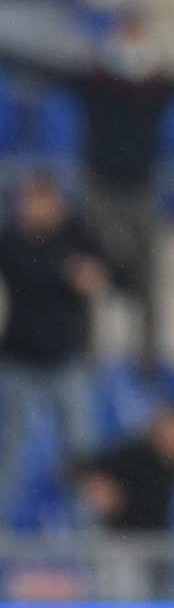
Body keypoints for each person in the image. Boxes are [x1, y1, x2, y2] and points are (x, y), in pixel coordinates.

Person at [0, 11, 174, 369]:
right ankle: (87, 352)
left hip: (140, 192)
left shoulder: (157, 85)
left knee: (147, 278)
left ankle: (148, 359)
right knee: (88, 271)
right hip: (100, 190)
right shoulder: (95, 82)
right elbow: (41, 67)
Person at [0, 174, 115, 520]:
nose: (30, 209)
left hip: (67, 359)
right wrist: (65, 272)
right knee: (10, 448)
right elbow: (24, 273)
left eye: (39, 201)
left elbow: (110, 275)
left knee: (81, 451)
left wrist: (90, 275)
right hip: (20, 357)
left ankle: (86, 531)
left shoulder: (78, 236)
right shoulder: (13, 239)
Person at [73, 402, 174, 532]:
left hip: (157, 544)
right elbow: (82, 468)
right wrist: (97, 484)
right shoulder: (132, 452)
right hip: (123, 539)